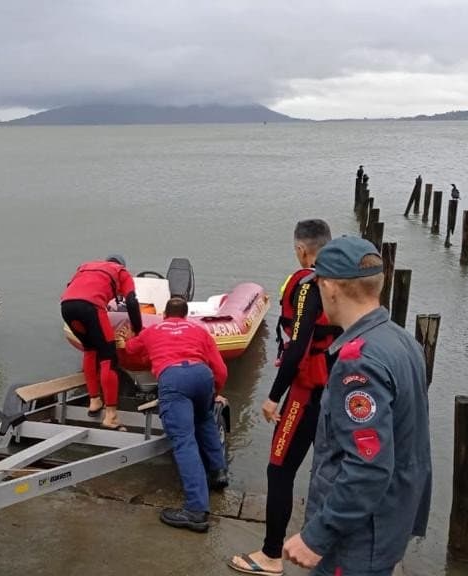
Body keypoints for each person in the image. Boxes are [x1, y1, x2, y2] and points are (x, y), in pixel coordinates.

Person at [282, 236, 432, 575]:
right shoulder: (401, 340)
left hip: (357, 540)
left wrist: (317, 536)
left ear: (331, 288)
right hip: (390, 521)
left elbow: (368, 465)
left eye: (319, 283)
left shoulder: (359, 362)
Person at [230, 219, 342, 576]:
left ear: (301, 250)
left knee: (279, 470)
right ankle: (329, 548)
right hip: (337, 390)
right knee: (330, 469)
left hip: (306, 391)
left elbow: (297, 347)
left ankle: (271, 555)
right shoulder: (345, 281)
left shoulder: (309, 284)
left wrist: (273, 396)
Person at [118, 297, 228, 533]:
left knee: (184, 442)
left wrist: (126, 341)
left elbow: (130, 351)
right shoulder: (199, 331)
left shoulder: (153, 330)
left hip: (174, 378)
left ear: (165, 315)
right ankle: (218, 473)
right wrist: (214, 393)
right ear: (186, 315)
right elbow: (220, 369)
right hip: (201, 375)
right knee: (205, 419)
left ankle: (196, 511)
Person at [60, 255, 143, 430]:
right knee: (108, 357)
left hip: (66, 307)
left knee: (90, 349)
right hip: (91, 307)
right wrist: (138, 329)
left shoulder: (86, 266)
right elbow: (132, 302)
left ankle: (94, 400)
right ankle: (111, 415)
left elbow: (73, 288)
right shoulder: (122, 272)